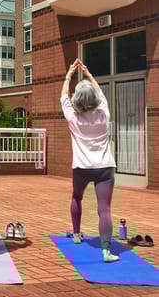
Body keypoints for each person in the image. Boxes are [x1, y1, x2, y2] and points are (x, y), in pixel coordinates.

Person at [61, 59, 119, 263]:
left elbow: (63, 96)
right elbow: (100, 93)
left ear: (77, 99)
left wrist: (70, 74)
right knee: (105, 209)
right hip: (105, 168)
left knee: (77, 197)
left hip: (82, 167)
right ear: (94, 99)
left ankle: (77, 235)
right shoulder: (103, 114)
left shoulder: (73, 117)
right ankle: (106, 251)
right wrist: (87, 73)